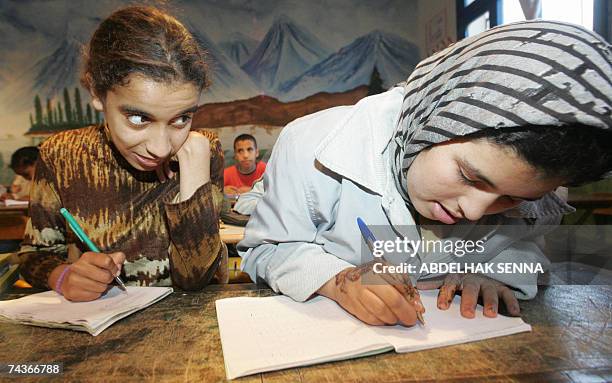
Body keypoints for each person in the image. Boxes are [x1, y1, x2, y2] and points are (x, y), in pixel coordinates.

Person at [238, 21, 612, 327]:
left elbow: (526, 255)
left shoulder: (517, 195)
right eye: (469, 176)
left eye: (512, 198)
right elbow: (266, 249)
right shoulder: (311, 145)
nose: (477, 211)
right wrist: (335, 280)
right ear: (431, 120)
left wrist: (493, 277)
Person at [17, 5, 227, 302]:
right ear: (96, 92)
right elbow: (33, 256)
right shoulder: (62, 155)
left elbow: (198, 280)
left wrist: (193, 179)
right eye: (139, 119)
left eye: (181, 118)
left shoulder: (202, 151)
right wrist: (63, 276)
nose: (161, 147)